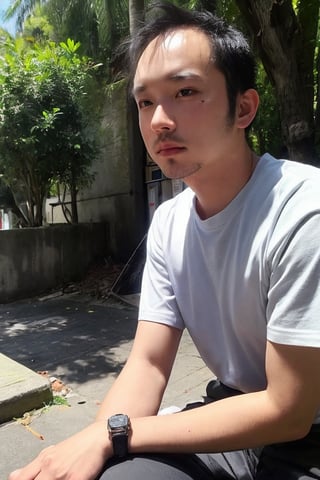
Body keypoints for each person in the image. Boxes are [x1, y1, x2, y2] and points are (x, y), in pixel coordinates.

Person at [9, 2, 320, 480]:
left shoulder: (302, 208)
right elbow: (150, 363)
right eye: (145, 101)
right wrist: (92, 447)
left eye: (185, 91)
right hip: (230, 418)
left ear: (243, 108)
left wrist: (116, 434)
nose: (158, 121)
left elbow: (288, 408)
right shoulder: (170, 222)